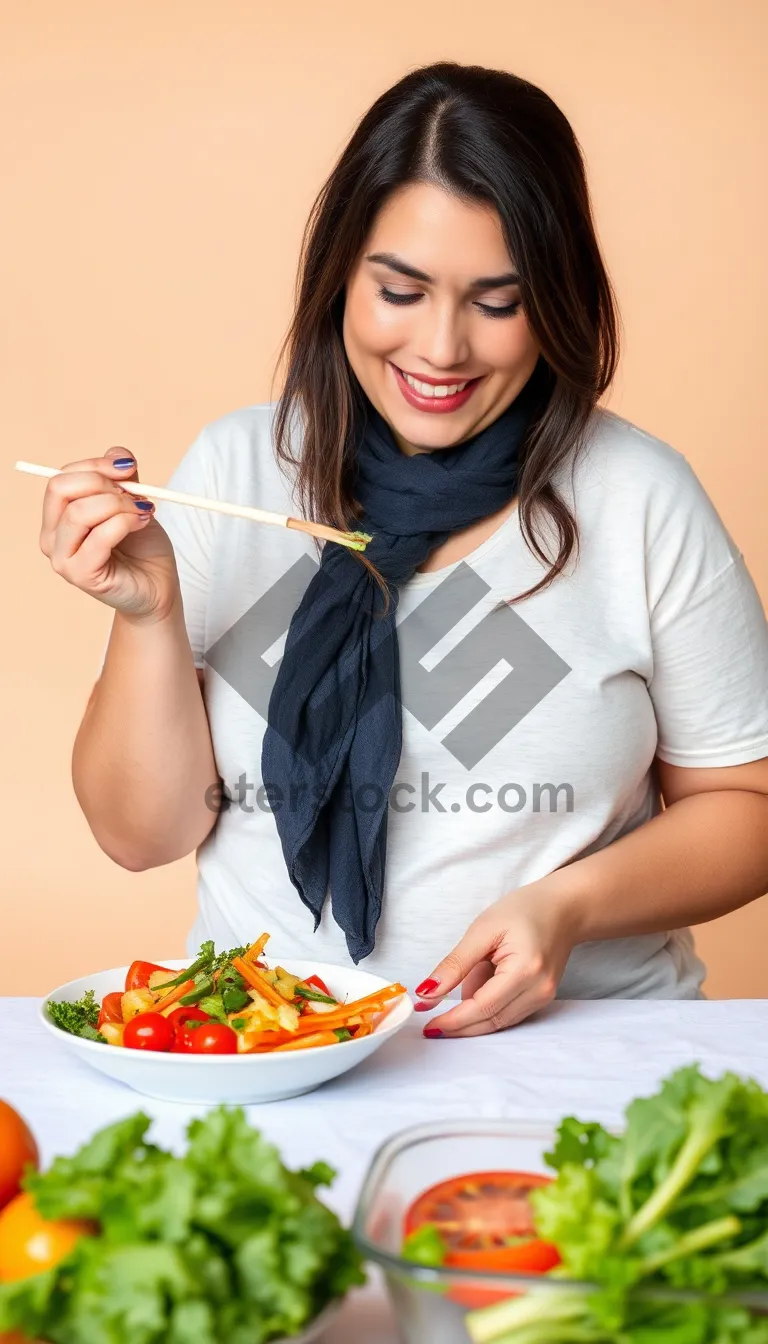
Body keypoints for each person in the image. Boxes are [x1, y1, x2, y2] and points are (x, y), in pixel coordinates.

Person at [42, 63, 768, 1038]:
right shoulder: (238, 469)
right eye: (401, 290)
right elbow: (141, 837)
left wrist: (567, 908)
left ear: (555, 300)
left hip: (583, 1050)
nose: (441, 348)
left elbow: (748, 807)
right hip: (270, 1049)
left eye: (497, 303)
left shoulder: (638, 496)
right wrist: (149, 614)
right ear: (342, 271)